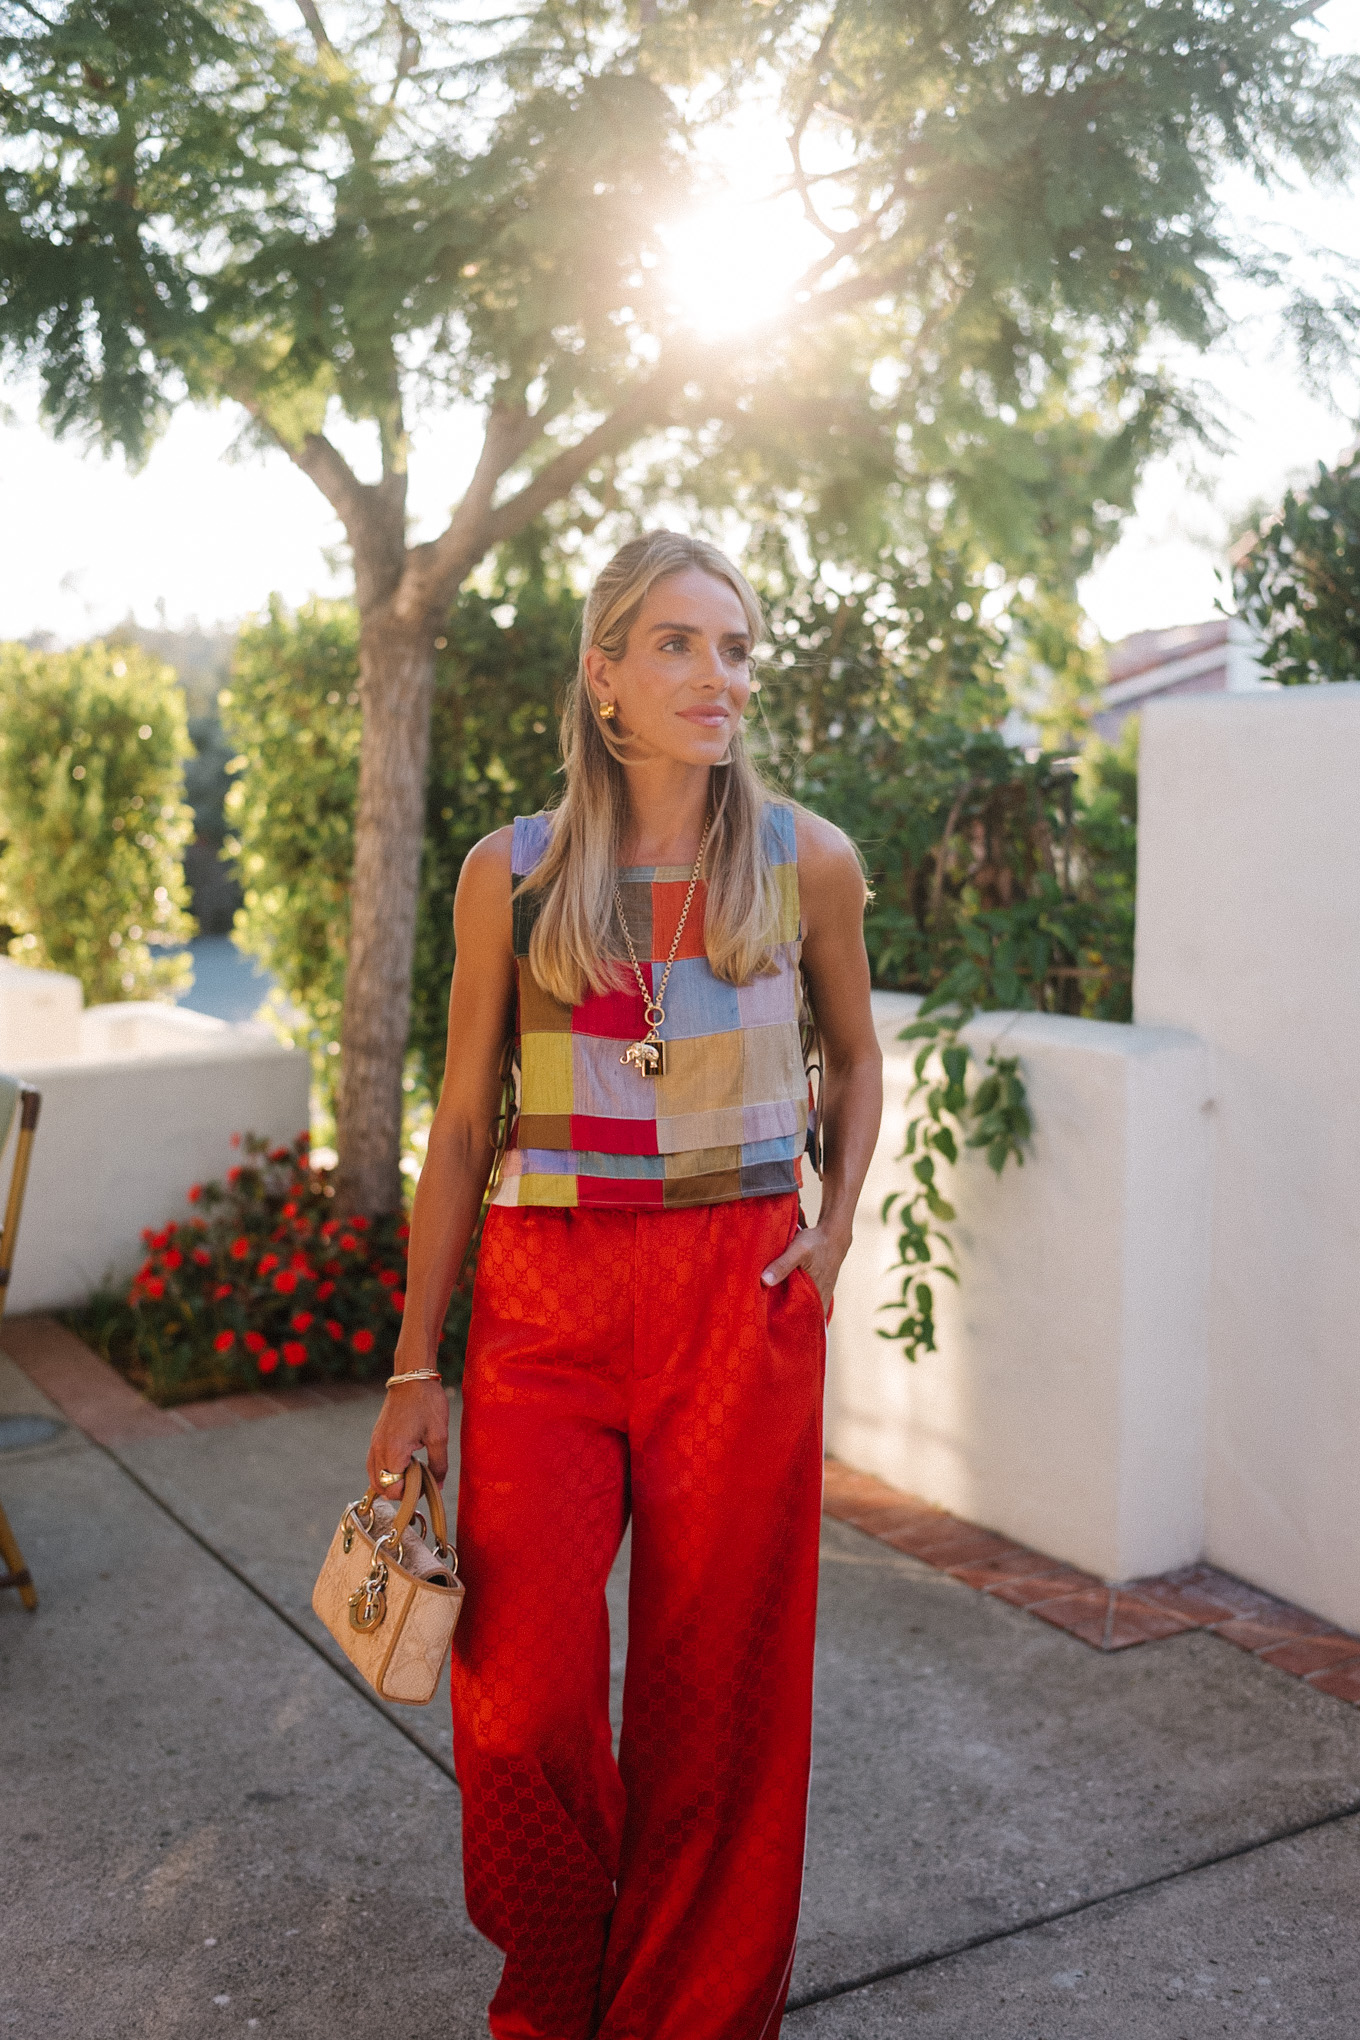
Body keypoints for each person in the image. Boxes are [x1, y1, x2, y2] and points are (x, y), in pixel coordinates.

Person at [366, 531, 883, 2040]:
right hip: (546, 1304)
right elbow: (462, 1124)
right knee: (519, 1705)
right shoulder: (509, 875)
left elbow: (856, 1060)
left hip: (743, 1295)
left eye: (734, 648)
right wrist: (415, 1368)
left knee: (709, 1704)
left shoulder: (806, 859)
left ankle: (687, 2017)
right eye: (677, 644)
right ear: (604, 675)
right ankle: (552, 1988)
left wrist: (836, 1228)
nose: (715, 675)